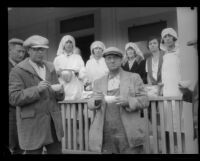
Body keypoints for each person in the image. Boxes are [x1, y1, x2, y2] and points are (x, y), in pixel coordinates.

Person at [9, 35, 64, 154]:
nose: (40, 52)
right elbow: (14, 98)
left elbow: (59, 95)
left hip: (52, 122)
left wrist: (60, 92)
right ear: (28, 51)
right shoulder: (18, 70)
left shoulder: (50, 67)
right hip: (32, 124)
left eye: (42, 49)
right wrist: (37, 90)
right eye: (36, 49)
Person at [88, 47, 149, 154]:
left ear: (121, 60)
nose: (112, 60)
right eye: (109, 58)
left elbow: (145, 100)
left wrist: (129, 101)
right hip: (105, 133)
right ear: (105, 61)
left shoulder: (133, 77)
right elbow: (90, 103)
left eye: (115, 58)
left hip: (128, 132)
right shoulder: (98, 82)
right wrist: (96, 101)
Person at [53, 35, 85, 100]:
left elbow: (83, 71)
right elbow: (53, 74)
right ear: (63, 44)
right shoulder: (57, 59)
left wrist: (78, 73)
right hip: (63, 87)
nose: (69, 44)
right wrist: (58, 73)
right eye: (66, 42)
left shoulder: (78, 57)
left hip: (75, 87)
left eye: (70, 42)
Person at [8, 38, 25, 154]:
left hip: (22, 107)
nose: (21, 54)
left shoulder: (23, 67)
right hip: (10, 109)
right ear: (9, 51)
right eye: (18, 51)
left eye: (23, 52)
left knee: (21, 142)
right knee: (12, 143)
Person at [160, 28, 182, 97]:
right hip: (166, 88)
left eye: (170, 36)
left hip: (178, 87)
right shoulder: (163, 55)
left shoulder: (180, 52)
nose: (167, 39)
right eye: (165, 37)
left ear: (174, 38)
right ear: (163, 40)